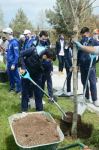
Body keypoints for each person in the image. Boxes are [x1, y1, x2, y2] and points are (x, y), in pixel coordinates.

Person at [19, 30, 49, 112]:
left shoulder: (47, 47)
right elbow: (22, 54)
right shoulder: (33, 45)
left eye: (46, 39)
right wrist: (23, 67)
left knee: (38, 92)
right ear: (39, 37)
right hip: (27, 71)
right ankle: (24, 110)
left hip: (37, 73)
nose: (44, 41)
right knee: (25, 91)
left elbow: (47, 63)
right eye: (43, 39)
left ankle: (40, 110)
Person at [77, 27, 99, 106]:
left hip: (90, 65)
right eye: (82, 35)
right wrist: (78, 65)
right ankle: (86, 97)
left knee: (92, 82)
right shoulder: (81, 41)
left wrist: (96, 59)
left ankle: (95, 99)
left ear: (88, 33)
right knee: (84, 81)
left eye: (84, 34)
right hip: (83, 65)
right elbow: (79, 54)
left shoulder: (94, 41)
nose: (83, 36)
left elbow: (98, 50)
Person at [2, 27, 21, 93]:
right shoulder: (10, 42)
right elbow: (10, 51)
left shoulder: (14, 42)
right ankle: (12, 88)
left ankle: (19, 90)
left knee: (16, 77)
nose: (5, 35)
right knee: (10, 77)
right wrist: (6, 50)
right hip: (9, 62)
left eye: (6, 34)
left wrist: (13, 64)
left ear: (10, 34)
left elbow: (16, 55)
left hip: (13, 63)